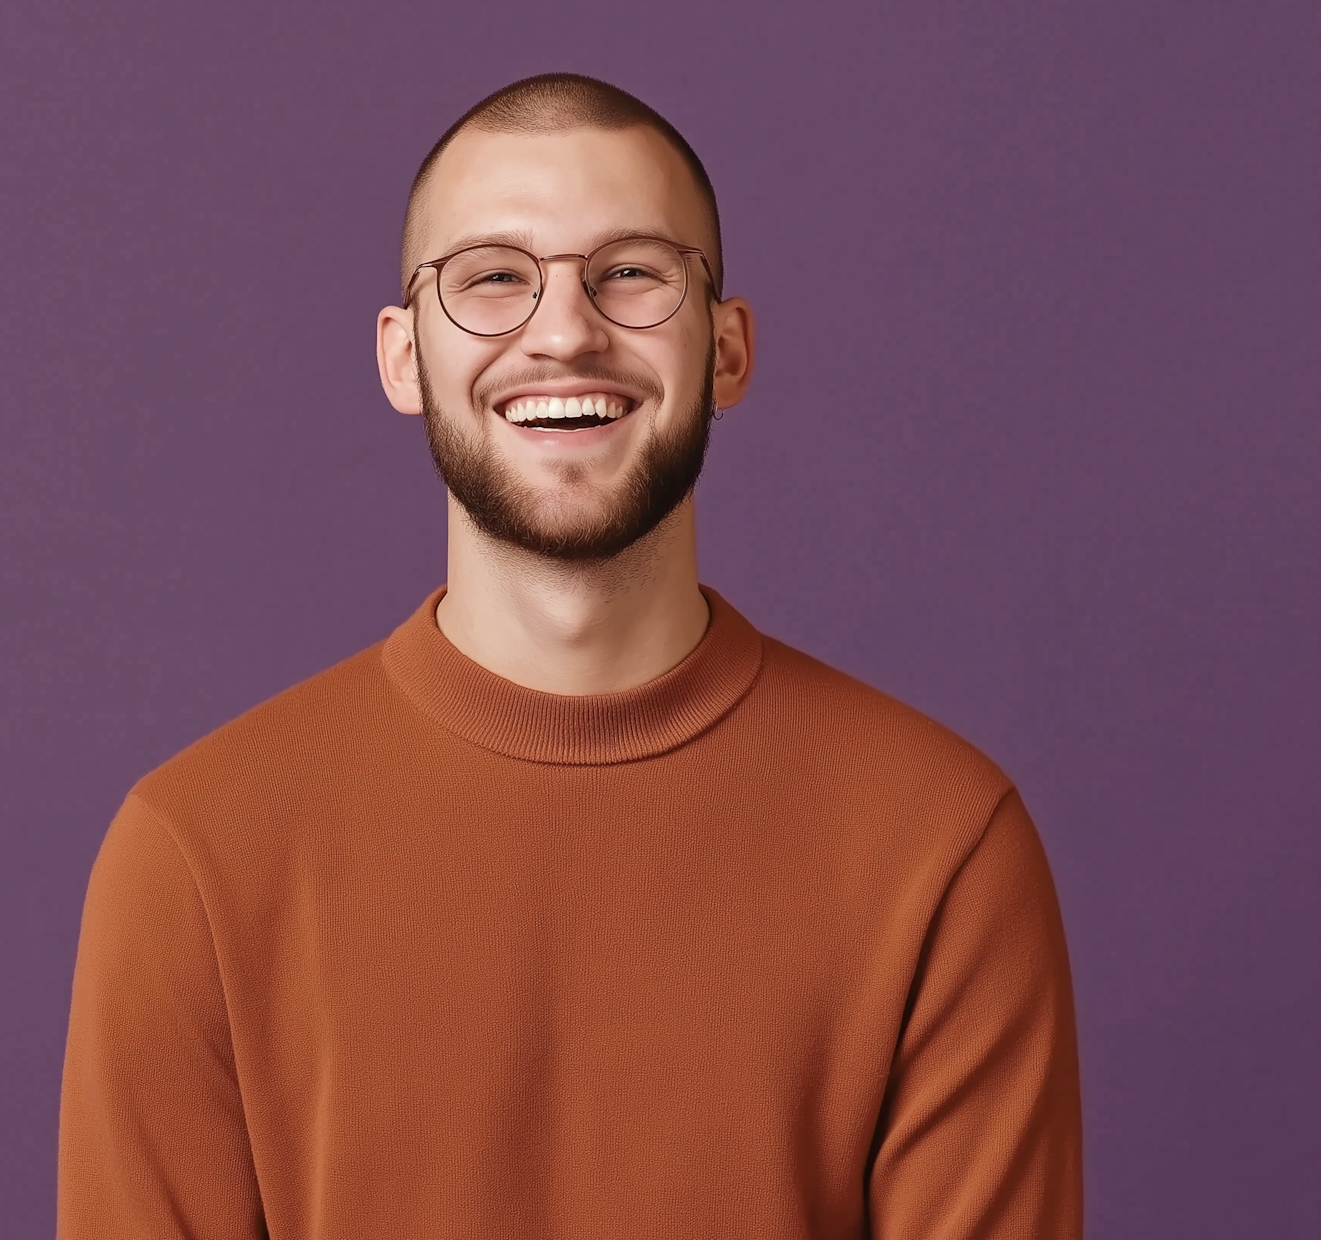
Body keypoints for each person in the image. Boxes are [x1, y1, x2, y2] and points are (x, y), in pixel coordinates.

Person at [58, 73, 1081, 1239]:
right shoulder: (195, 854)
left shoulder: (942, 841)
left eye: (633, 272)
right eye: (493, 277)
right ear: (402, 358)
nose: (562, 330)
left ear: (729, 349)